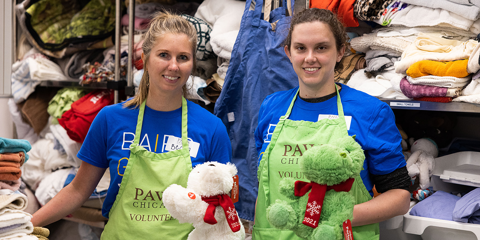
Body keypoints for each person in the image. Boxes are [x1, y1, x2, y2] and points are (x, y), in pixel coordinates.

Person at [31, 12, 232, 239]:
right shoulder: (111, 119)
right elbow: (78, 191)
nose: (173, 66)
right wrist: (24, 226)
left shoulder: (212, 128)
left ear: (192, 63)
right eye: (164, 55)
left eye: (183, 57)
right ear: (145, 58)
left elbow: (222, 206)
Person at [252, 8, 411, 240]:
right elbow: (266, 187)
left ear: (340, 52)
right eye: (300, 48)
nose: (310, 58)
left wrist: (337, 215)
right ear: (288, 53)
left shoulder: (370, 112)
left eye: (321, 47)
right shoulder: (271, 107)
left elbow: (400, 197)